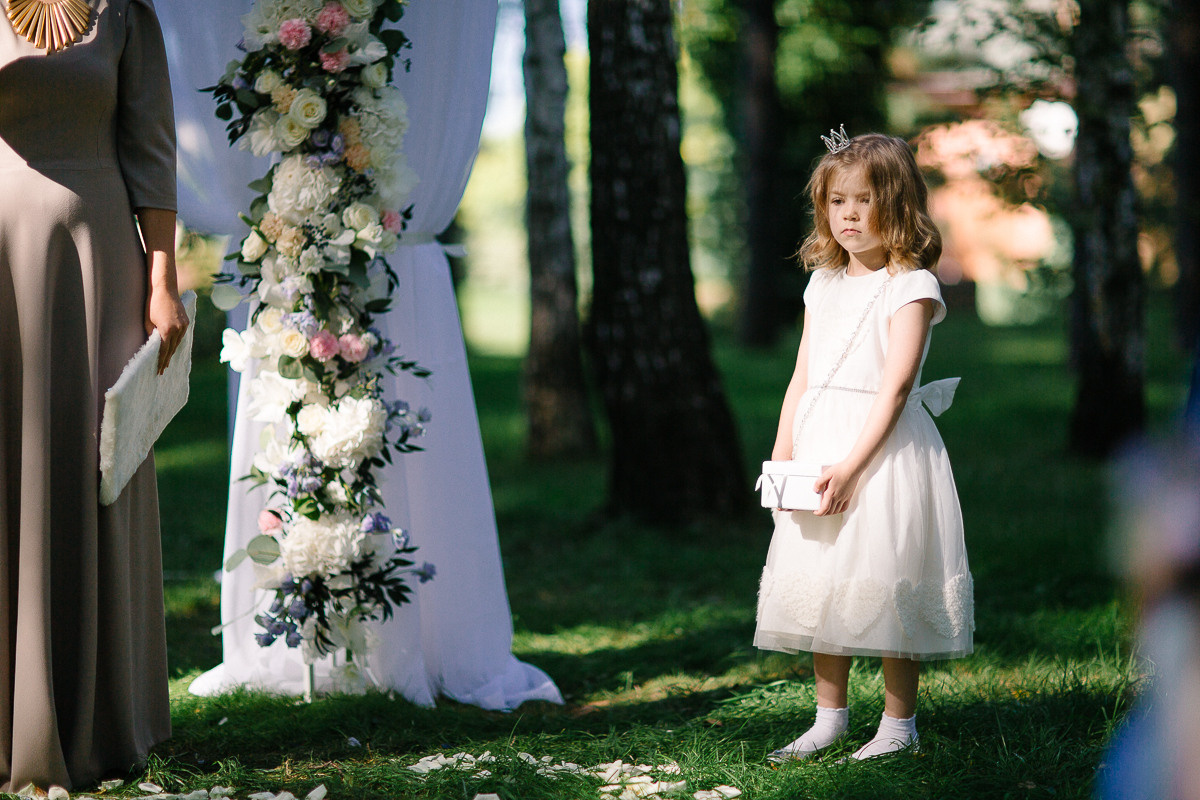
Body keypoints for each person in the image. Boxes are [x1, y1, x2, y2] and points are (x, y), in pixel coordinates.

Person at [0, 0, 188, 791]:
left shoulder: (125, 15)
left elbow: (149, 148)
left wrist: (164, 279)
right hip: (2, 252)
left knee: (96, 460)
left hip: (97, 258)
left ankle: (103, 718)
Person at [755, 131, 973, 762]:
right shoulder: (820, 283)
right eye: (837, 201)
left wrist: (852, 466)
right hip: (820, 441)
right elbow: (801, 374)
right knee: (826, 578)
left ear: (899, 205)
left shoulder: (911, 287)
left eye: (866, 200)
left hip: (881, 452)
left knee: (884, 575)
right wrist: (784, 454)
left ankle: (899, 727)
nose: (849, 215)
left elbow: (897, 388)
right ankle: (830, 718)